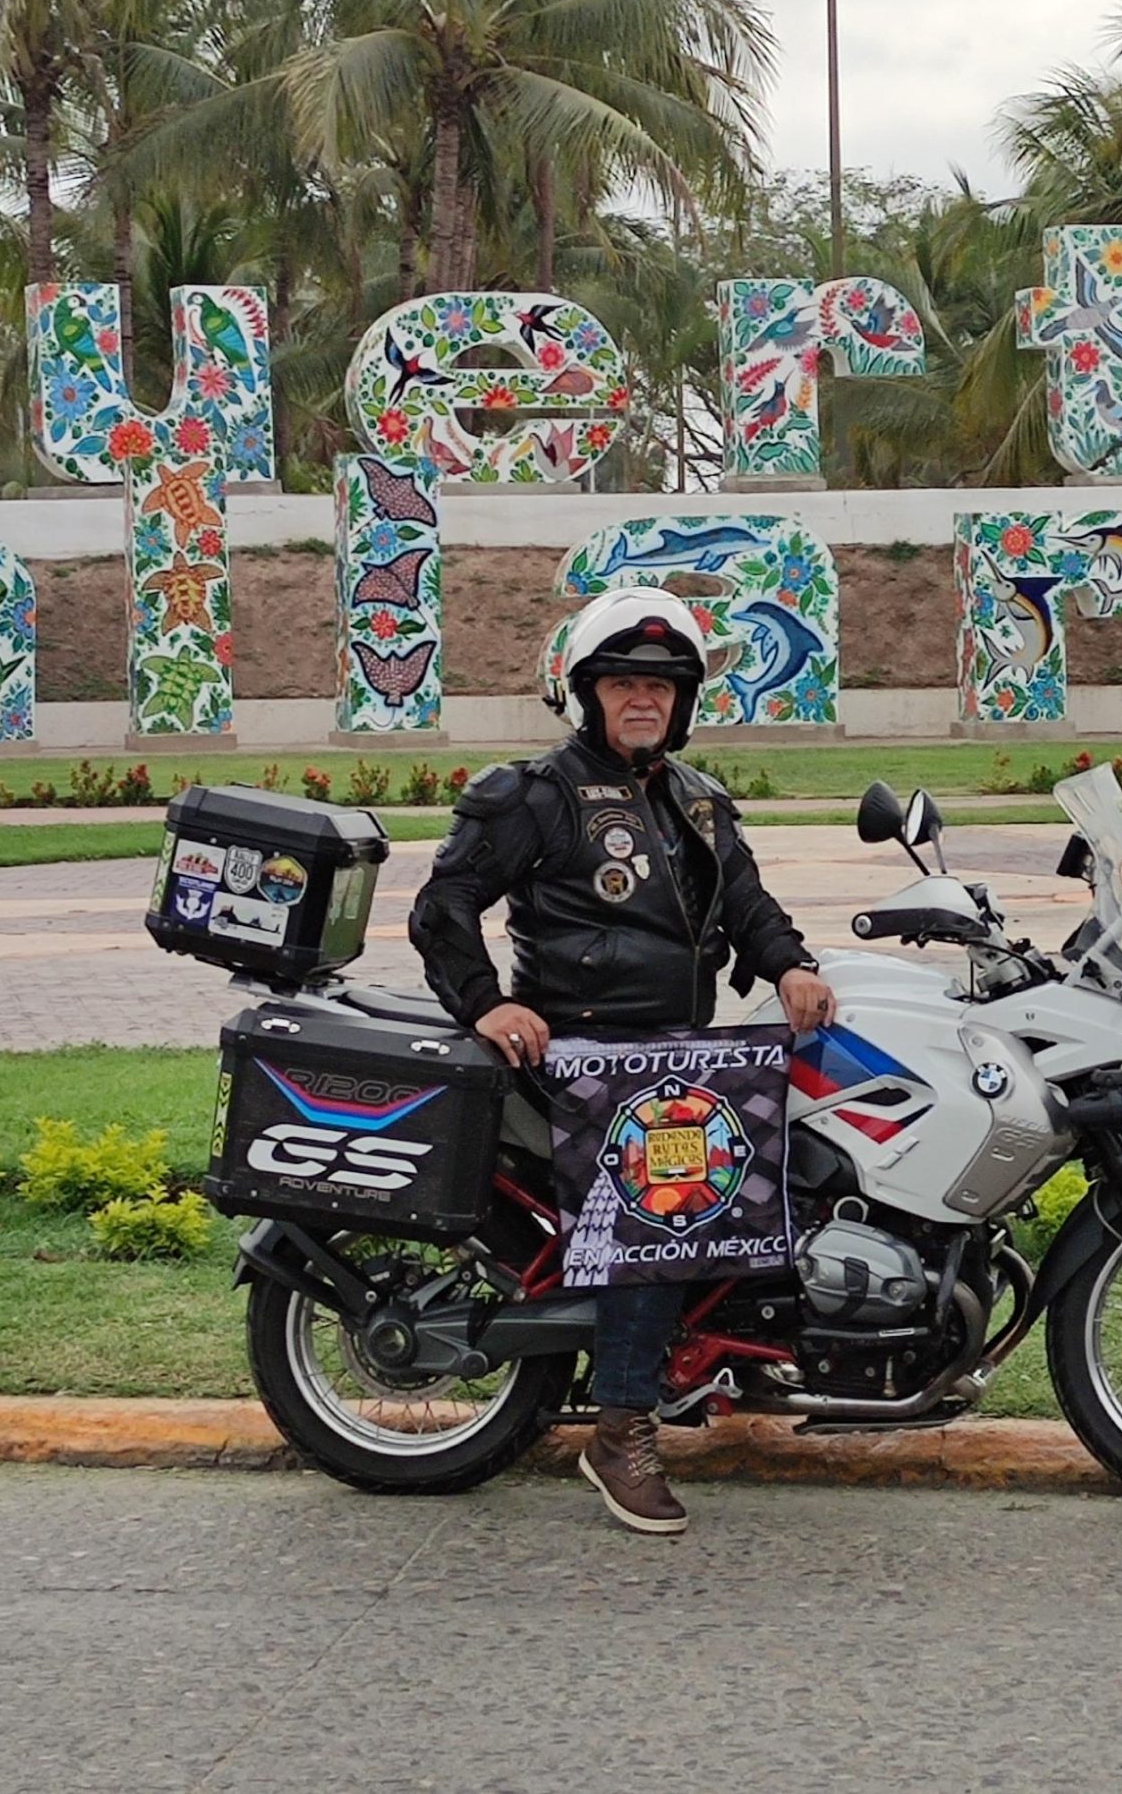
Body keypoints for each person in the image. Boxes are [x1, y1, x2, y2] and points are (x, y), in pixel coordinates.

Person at [408, 587, 836, 1536]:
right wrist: (490, 1003)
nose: (643, 700)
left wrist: (793, 965)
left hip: (674, 1055)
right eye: (624, 684)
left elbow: (749, 908)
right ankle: (620, 1428)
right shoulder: (535, 795)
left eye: (660, 686)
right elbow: (444, 907)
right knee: (669, 1201)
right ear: (588, 693)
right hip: (589, 1055)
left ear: (682, 704)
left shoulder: (697, 799)